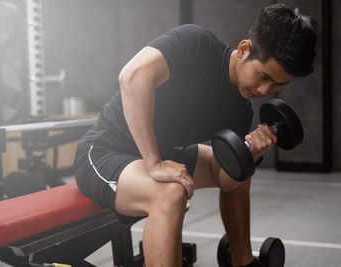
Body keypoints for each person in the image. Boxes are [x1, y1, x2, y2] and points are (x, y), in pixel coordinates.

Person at [74, 3, 316, 267]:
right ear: (244, 49)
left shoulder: (239, 110)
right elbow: (132, 77)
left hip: (162, 153)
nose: (264, 89)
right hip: (106, 152)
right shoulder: (196, 43)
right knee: (170, 193)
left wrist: (251, 152)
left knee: (240, 164)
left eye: (276, 85)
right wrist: (154, 164)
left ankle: (242, 262)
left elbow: (227, 181)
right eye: (262, 76)